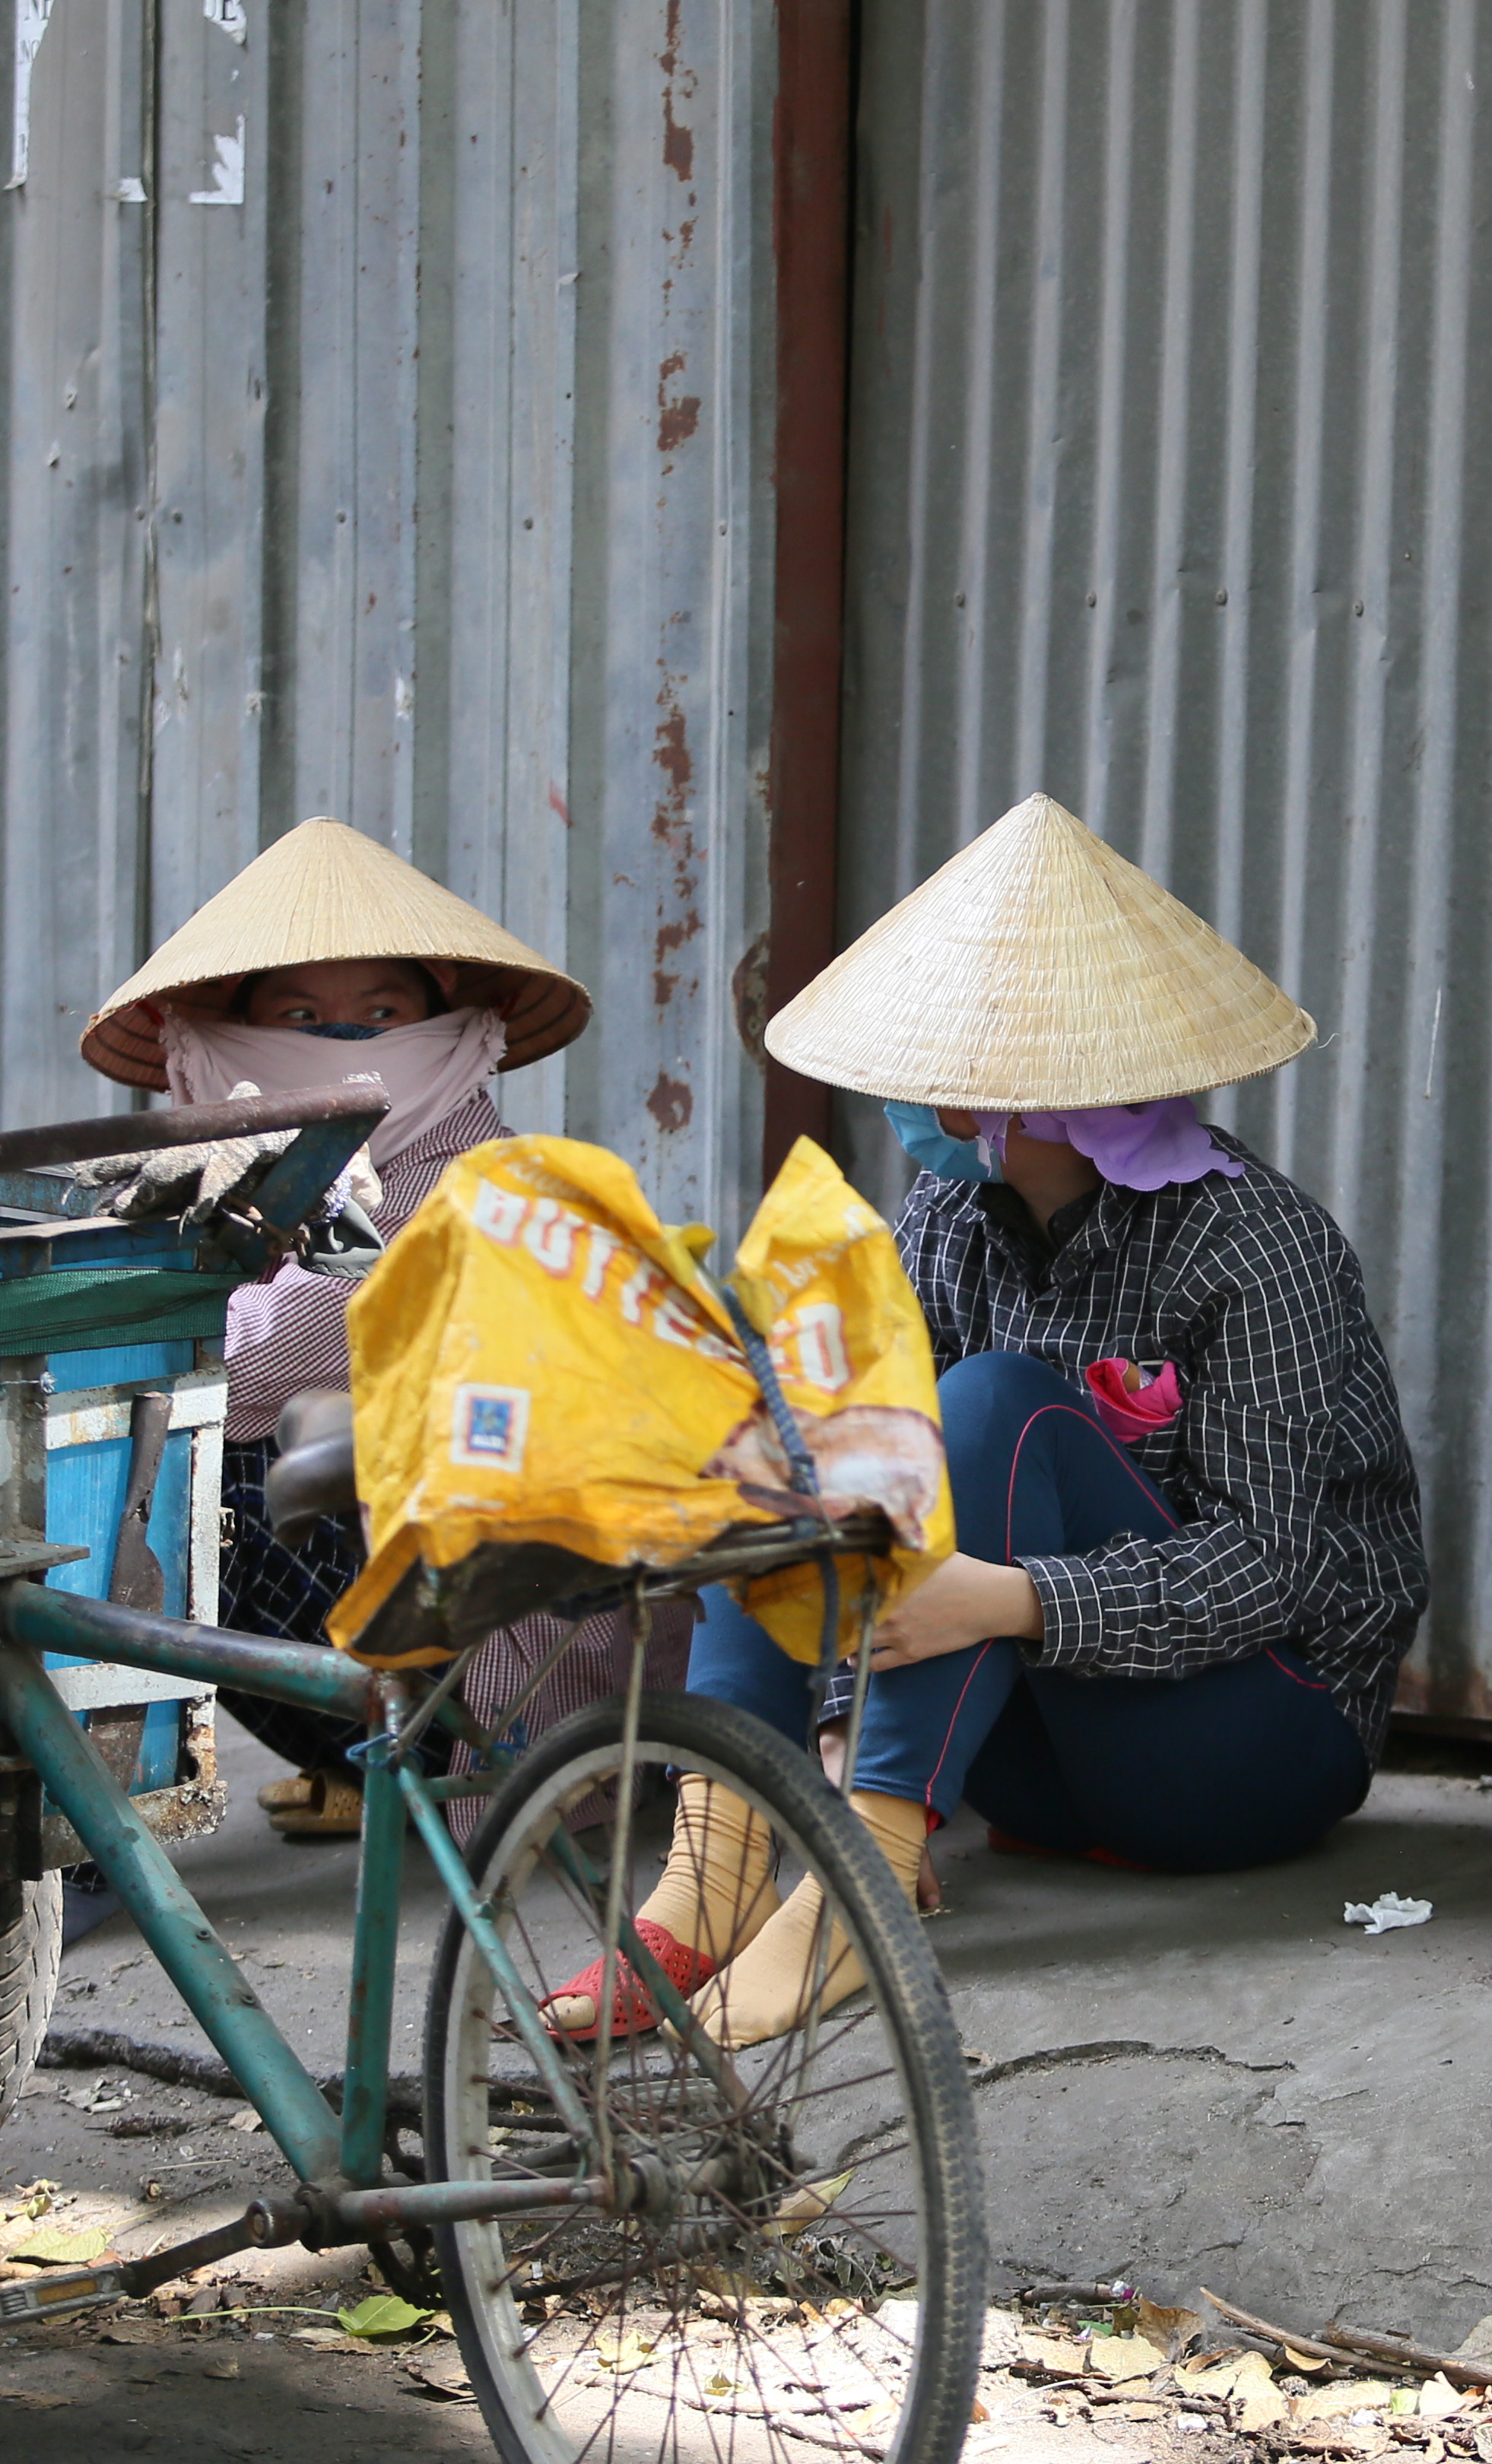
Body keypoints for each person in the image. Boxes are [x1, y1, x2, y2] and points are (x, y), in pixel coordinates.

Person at [546, 793, 1429, 2046]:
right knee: (807, 1425)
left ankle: (862, 1875)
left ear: (1034, 1096)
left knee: (998, 1401)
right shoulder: (946, 1220)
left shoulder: (1253, 1244)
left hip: (1253, 1744)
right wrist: (856, 1704)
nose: (912, 1095)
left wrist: (1010, 1603)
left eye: (943, 1070)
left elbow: (1273, 1570)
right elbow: (868, 1496)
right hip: (1034, 1760)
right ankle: (715, 1866)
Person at [78, 816, 630, 1837]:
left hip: (498, 1711)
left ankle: (85, 1839)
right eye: (299, 1014)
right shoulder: (273, 1185)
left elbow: (226, 1358)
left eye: (383, 1012)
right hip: (423, 1652)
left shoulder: (478, 1193)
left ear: (457, 1027)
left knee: (158, 1459)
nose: (343, 1042)